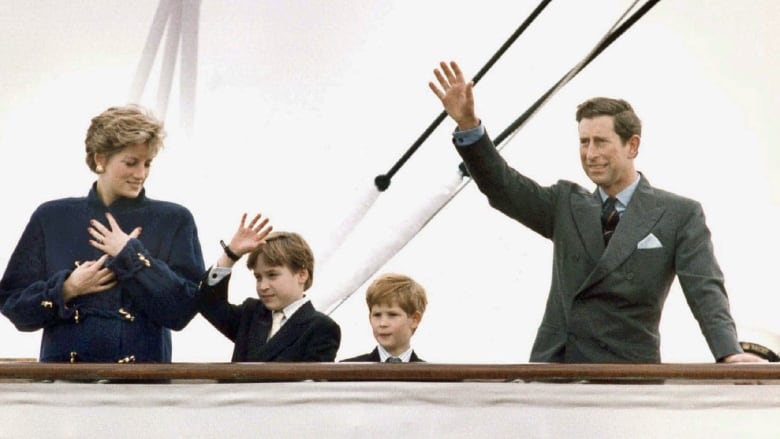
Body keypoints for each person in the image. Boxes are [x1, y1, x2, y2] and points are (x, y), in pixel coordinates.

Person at [429, 60, 764, 364]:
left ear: (632, 145)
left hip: (628, 377)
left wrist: (730, 353)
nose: (590, 153)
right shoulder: (564, 203)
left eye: (600, 142)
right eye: (583, 142)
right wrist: (469, 125)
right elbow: (503, 187)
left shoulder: (679, 214)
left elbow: (706, 291)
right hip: (558, 372)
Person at [0, 104, 205, 363]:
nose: (140, 174)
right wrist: (66, 288)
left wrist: (130, 255)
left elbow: (181, 312)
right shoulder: (51, 217)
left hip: (143, 391)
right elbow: (14, 307)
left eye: (147, 163)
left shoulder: (174, 219)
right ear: (100, 159)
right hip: (63, 391)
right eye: (131, 163)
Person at [197, 214, 341, 362]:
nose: (263, 286)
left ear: (302, 275)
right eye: (258, 277)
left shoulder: (321, 328)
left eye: (272, 275)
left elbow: (310, 383)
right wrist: (231, 254)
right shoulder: (251, 314)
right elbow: (208, 304)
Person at [342, 273, 427, 363]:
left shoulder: (432, 375)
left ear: (415, 320)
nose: (382, 323)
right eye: (377, 315)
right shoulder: (346, 371)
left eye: (392, 315)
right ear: (370, 318)